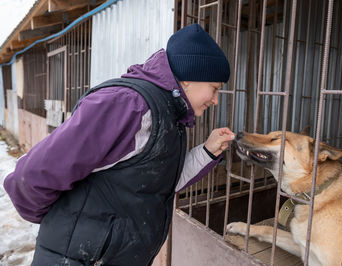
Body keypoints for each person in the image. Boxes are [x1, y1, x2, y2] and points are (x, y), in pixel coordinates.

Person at [3, 23, 234, 266]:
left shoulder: (170, 116)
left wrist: (208, 151)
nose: (216, 100)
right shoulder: (130, 105)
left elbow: (159, 186)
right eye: (214, 88)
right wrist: (57, 222)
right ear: (189, 78)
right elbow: (33, 174)